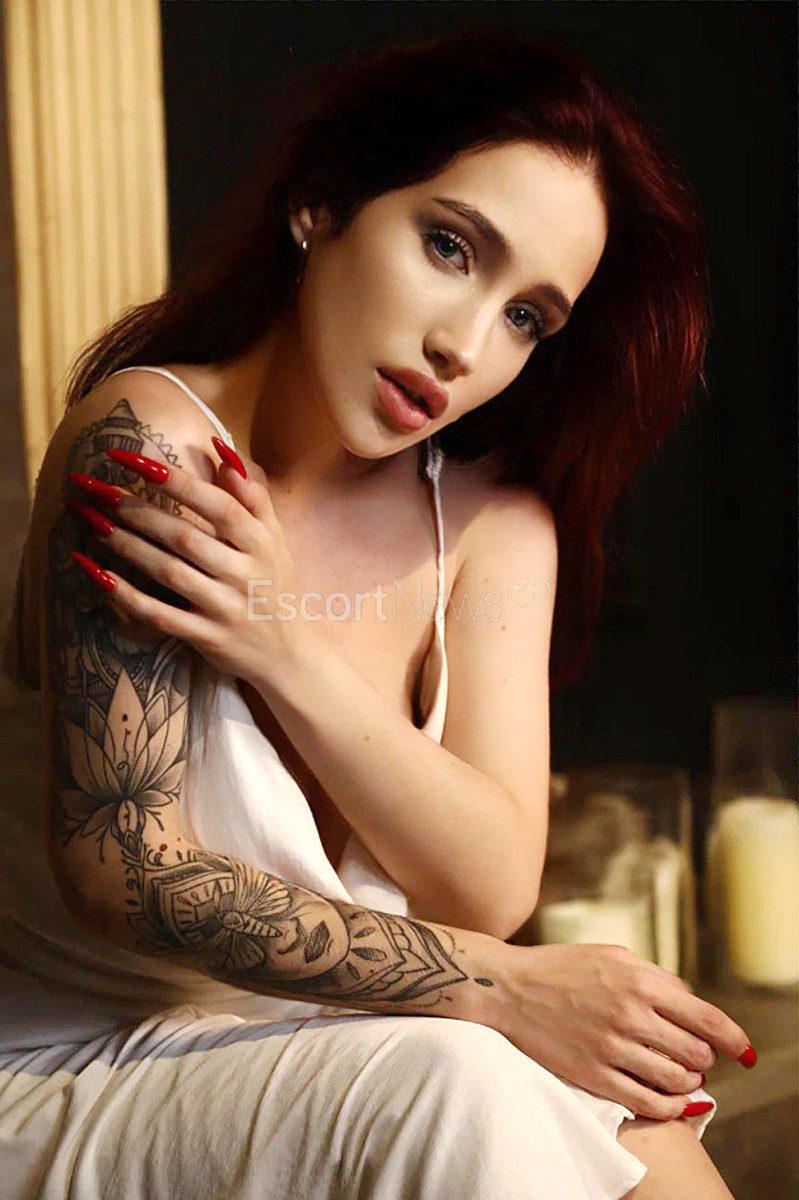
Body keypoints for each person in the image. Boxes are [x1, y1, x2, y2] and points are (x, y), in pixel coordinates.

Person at [0, 27, 754, 1199]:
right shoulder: (151, 446)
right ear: (324, 201)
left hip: (334, 1041)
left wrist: (285, 647)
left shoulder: (494, 527)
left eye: (526, 317)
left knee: (638, 1125)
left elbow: (486, 887)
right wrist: (500, 986)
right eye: (449, 246)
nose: (463, 345)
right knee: (468, 1078)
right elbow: (123, 869)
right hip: (70, 1057)